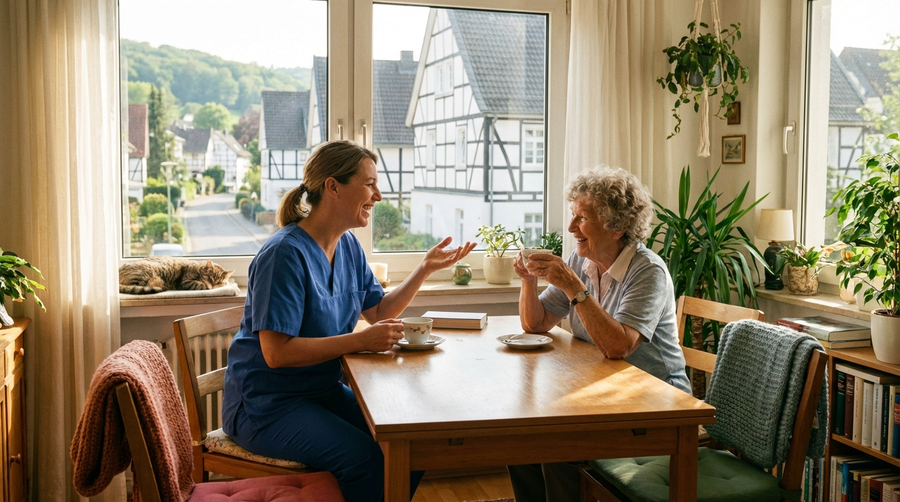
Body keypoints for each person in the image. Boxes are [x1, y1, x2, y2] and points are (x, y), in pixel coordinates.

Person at [221, 140, 476, 502]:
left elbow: (379, 312)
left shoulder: (348, 246)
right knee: (365, 460)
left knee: (413, 443)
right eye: (370, 184)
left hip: (319, 393)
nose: (379, 196)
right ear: (333, 186)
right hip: (265, 405)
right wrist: (360, 341)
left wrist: (423, 269)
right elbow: (277, 354)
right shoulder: (283, 255)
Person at [507, 165, 691, 502]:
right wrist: (528, 280)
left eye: (582, 218)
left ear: (617, 227)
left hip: (655, 404)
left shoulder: (647, 271)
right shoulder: (581, 262)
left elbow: (618, 346)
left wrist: (574, 288)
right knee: (519, 440)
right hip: (606, 395)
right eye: (573, 215)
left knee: (557, 448)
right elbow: (536, 323)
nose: (571, 227)